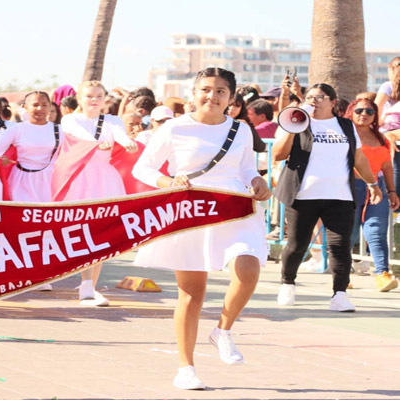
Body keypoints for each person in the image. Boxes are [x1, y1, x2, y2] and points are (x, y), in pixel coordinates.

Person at [132, 67, 269, 390]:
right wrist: (169, 181)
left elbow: (247, 167)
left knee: (248, 268)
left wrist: (257, 180)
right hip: (190, 209)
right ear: (193, 93)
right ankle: (186, 367)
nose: (212, 96)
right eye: (205, 89)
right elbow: (143, 168)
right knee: (192, 294)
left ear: (231, 97)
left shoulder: (241, 130)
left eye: (221, 90)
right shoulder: (174, 128)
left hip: (234, 207)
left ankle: (223, 329)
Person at [273, 83, 382, 312]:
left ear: (333, 102)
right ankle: (287, 283)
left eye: (320, 97)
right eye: (310, 96)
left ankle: (339, 294)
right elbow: (278, 154)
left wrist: (372, 183)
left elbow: (359, 159)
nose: (314, 100)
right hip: (303, 195)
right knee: (297, 245)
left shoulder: (345, 125)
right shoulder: (297, 121)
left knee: (340, 246)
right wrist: (293, 126)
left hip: (339, 195)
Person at [56, 80, 138, 306]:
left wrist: (127, 142)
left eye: (99, 96)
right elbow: (80, 136)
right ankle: (76, 280)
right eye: (89, 96)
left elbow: (119, 134)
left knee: (101, 234)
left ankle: (88, 287)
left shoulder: (112, 120)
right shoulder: (70, 119)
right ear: (79, 99)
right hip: (78, 178)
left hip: (105, 179)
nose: (94, 100)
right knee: (78, 231)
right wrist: (95, 144)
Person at [344, 99, 399, 291]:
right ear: (351, 112)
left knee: (376, 231)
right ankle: (342, 274)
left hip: (377, 188)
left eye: (369, 111)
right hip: (348, 188)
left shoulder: (382, 139)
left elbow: (386, 166)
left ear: (375, 116)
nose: (364, 114)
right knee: (347, 233)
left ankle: (382, 274)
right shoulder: (344, 135)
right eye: (359, 110)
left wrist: (392, 191)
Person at [0, 90, 63, 203]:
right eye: (35, 105)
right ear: (26, 107)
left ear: (49, 107)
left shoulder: (60, 130)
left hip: (50, 180)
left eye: (44, 105)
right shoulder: (17, 129)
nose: (40, 109)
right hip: (21, 180)